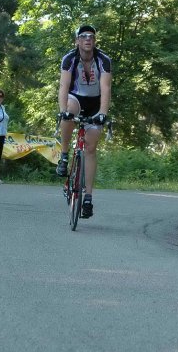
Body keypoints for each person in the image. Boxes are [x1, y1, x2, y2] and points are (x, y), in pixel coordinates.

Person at [57, 24, 112, 219]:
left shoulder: (104, 60)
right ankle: (64, 155)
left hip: (95, 102)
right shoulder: (69, 58)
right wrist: (62, 111)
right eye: (83, 36)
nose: (88, 39)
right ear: (77, 41)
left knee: (91, 147)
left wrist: (103, 113)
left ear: (94, 41)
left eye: (91, 36)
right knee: (69, 110)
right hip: (76, 98)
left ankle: (88, 197)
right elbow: (63, 86)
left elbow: (106, 88)